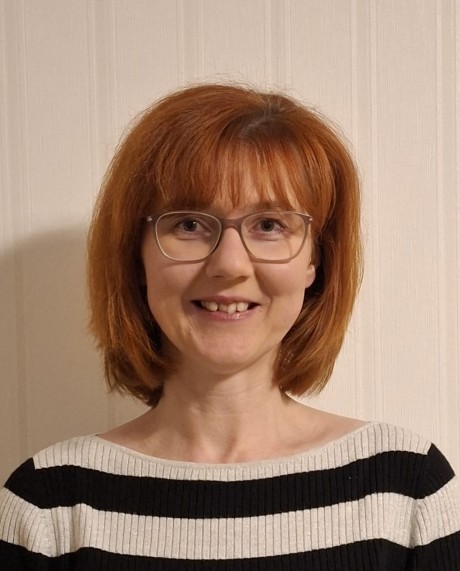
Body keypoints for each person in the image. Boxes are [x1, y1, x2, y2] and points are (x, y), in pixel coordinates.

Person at [0, 84, 459, 569]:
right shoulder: (50, 506)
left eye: (270, 225)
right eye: (189, 225)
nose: (230, 265)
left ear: (315, 261)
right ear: (137, 258)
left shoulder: (406, 490)